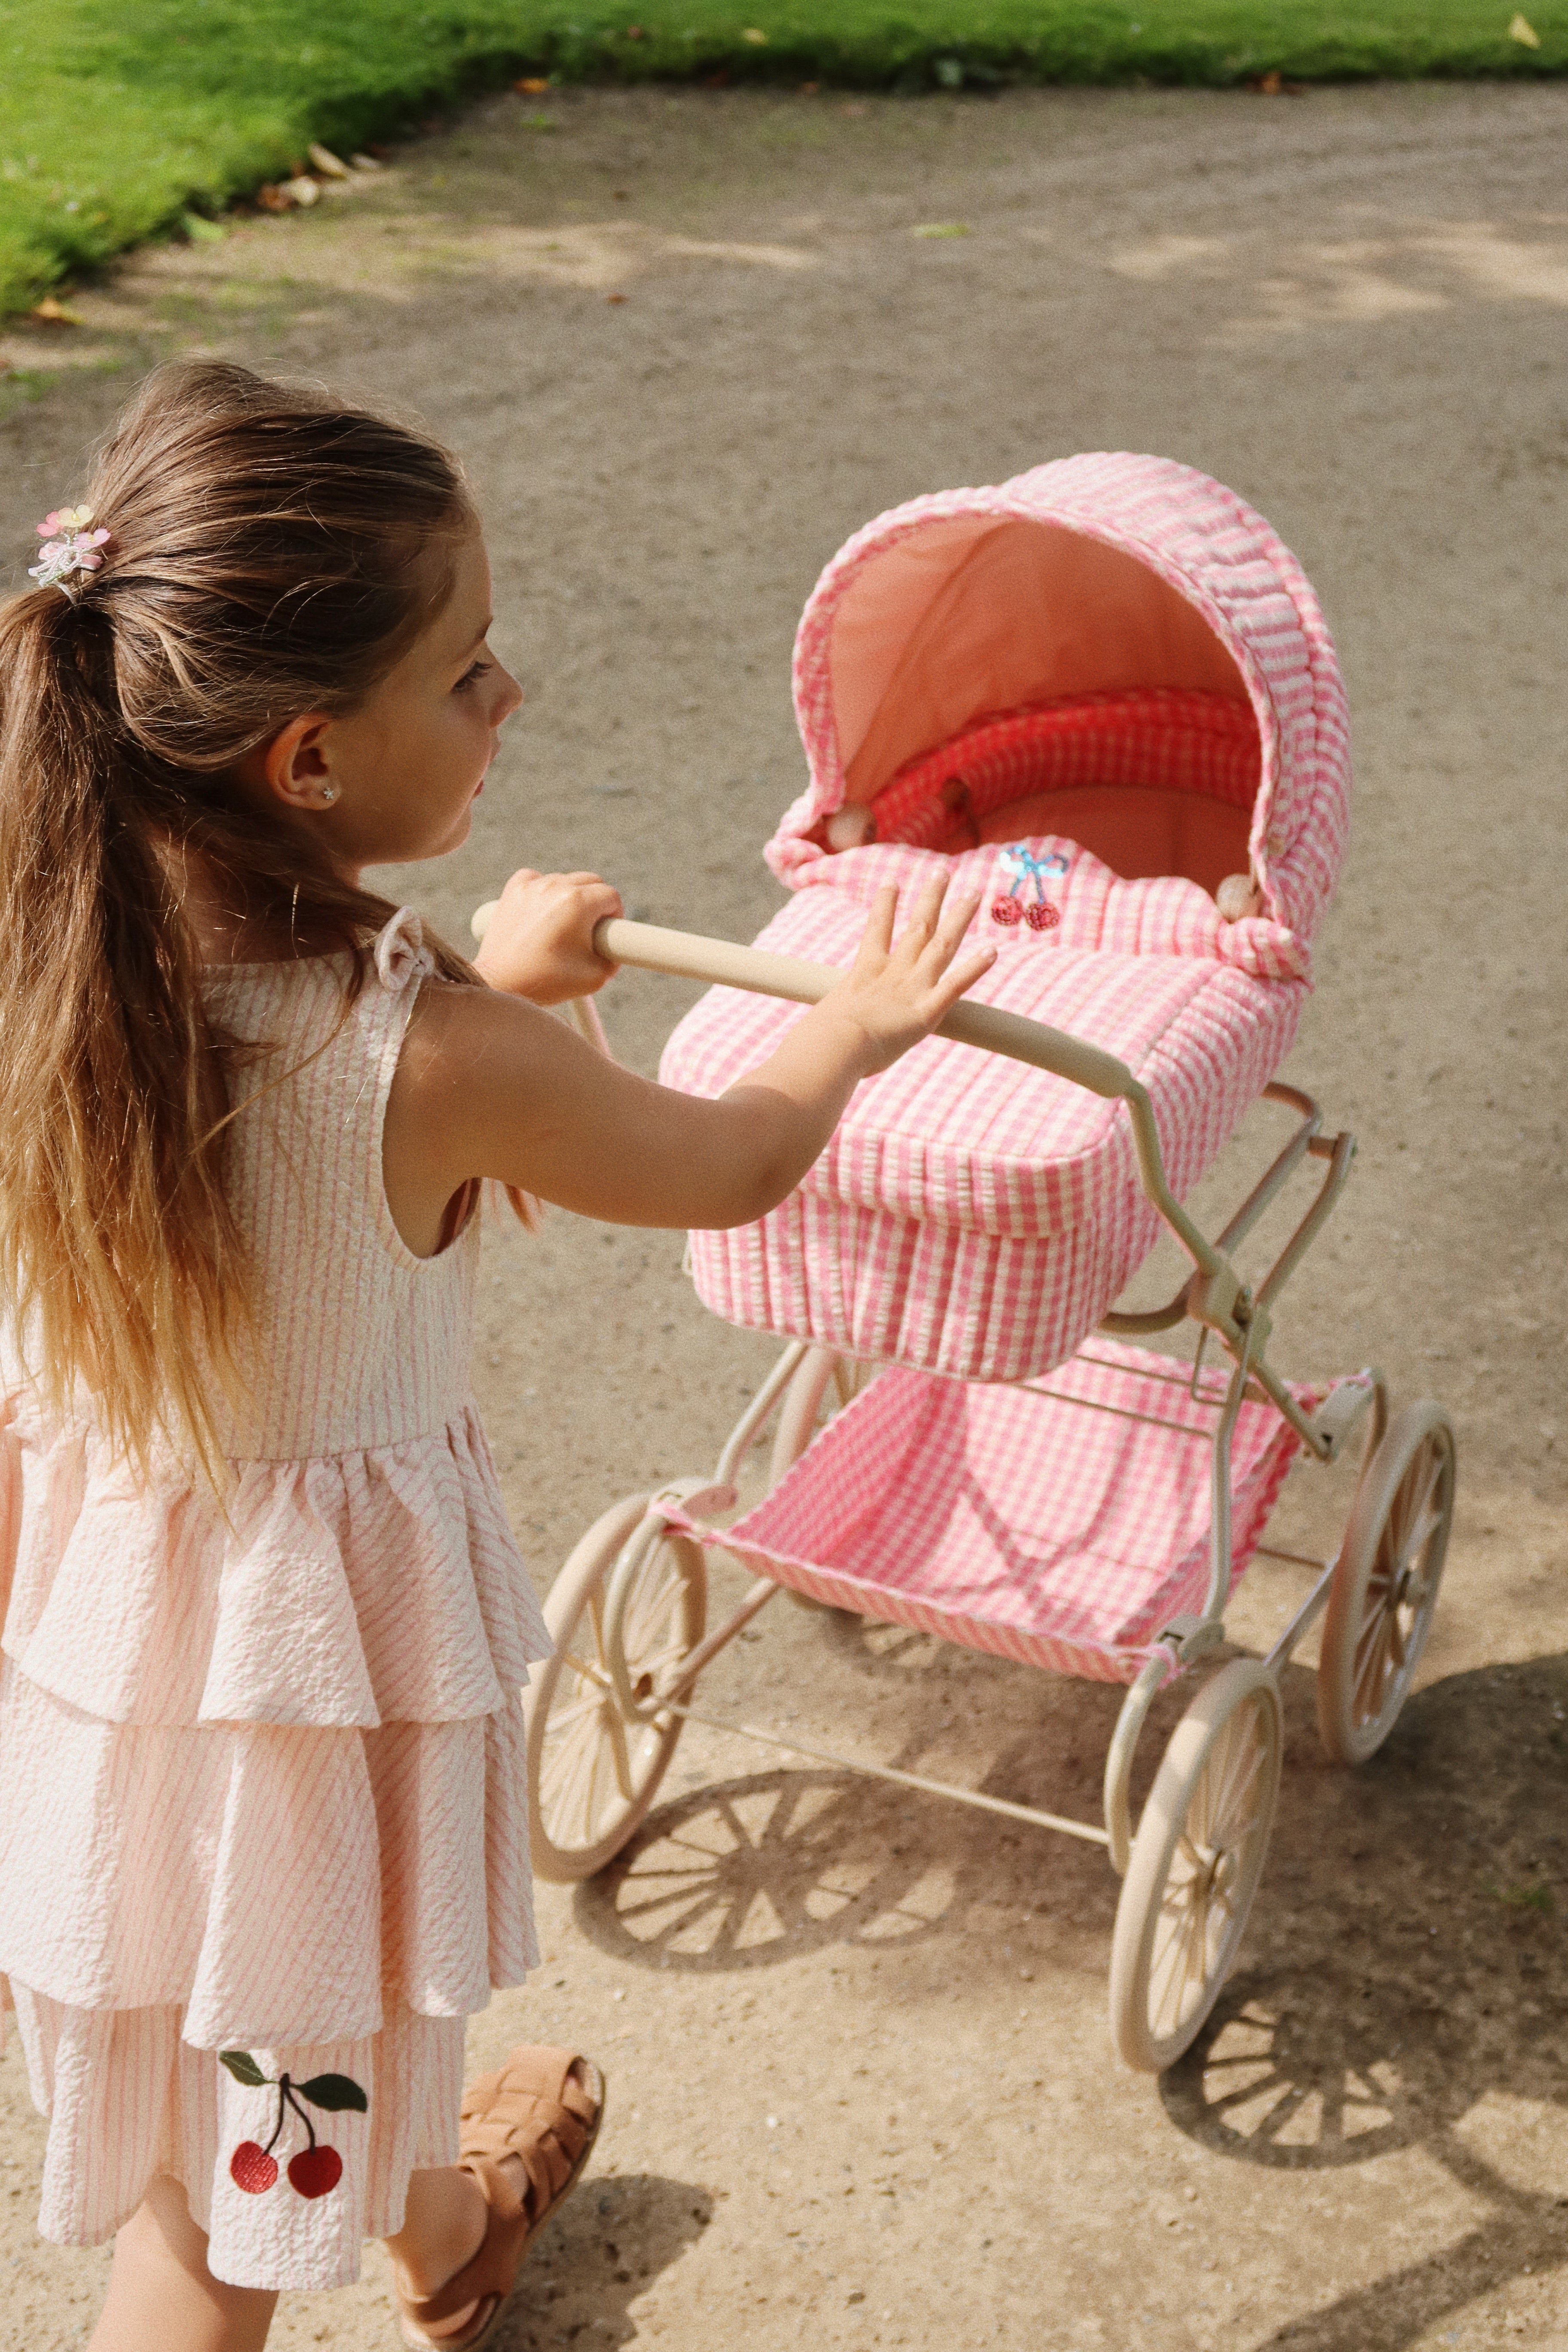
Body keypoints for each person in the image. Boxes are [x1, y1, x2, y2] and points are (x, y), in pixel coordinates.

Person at [0, 361, 995, 2352]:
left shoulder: (59, 961)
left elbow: (282, 1080)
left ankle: (447, 2235)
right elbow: (724, 1163)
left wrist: (488, 980)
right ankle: (407, 2225)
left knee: (258, 2075)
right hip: (295, 1724)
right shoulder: (435, 1057)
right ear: (305, 759)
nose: (508, 694)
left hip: (102, 1670)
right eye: (467, 671)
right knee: (208, 2231)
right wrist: (852, 1025)